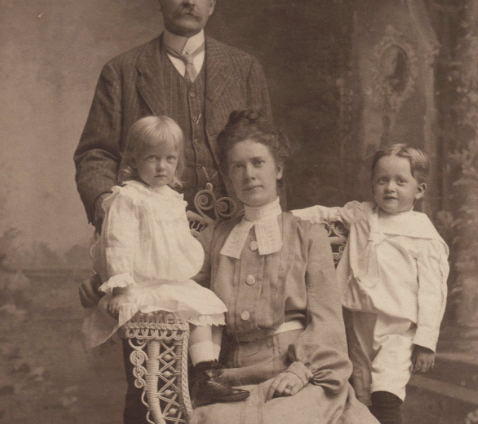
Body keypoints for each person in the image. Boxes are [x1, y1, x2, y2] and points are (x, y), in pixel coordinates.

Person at [188, 110, 378, 424]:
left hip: (297, 372)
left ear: (278, 168)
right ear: (227, 177)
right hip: (230, 382)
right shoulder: (215, 238)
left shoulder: (306, 235)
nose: (249, 174)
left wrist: (302, 370)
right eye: (238, 166)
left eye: (258, 163)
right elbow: (189, 298)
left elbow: (326, 318)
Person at [74, 0, 272, 237]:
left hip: (236, 228)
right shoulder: (121, 71)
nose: (189, 0)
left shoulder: (245, 68)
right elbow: (96, 154)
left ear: (212, 3)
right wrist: (107, 205)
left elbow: (269, 154)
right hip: (151, 230)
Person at [83, 115, 250, 419]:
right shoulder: (128, 197)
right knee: (149, 383)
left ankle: (204, 372)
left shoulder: (172, 197)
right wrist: (121, 289)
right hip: (141, 284)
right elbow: (118, 243)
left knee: (209, 307)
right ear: (133, 160)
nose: (162, 166)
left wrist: (189, 267)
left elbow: (177, 244)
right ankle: (198, 378)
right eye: (152, 158)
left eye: (169, 159)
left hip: (170, 282)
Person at [292, 144, 450, 424]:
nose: (390, 188)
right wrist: (286, 218)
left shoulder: (424, 235)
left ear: (419, 190)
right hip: (356, 321)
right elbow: (324, 214)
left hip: (398, 328)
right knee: (360, 393)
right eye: (382, 180)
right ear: (372, 184)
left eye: (401, 181)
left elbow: (433, 291)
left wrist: (426, 342)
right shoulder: (362, 214)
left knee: (386, 392)